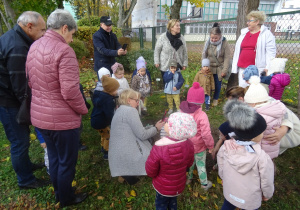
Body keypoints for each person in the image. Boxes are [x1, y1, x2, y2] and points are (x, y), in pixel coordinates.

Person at [26, 9, 88, 207]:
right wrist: (83, 109)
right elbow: (70, 91)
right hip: (62, 121)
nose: (71, 39)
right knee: (66, 162)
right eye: (71, 34)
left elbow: (30, 80)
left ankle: (59, 194)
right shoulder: (64, 51)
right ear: (64, 29)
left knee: (54, 158)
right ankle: (66, 198)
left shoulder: (34, 46)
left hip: (40, 117)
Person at [0, 11, 48, 189]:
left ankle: (26, 166)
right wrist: (30, 108)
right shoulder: (17, 47)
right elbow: (20, 84)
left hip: (10, 97)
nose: (43, 34)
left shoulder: (15, 38)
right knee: (19, 141)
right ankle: (25, 180)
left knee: (23, 138)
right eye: (42, 30)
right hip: (7, 102)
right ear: (29, 26)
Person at [218, 100, 274, 210]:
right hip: (250, 198)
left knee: (227, 206)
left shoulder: (226, 147)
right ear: (254, 137)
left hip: (230, 190)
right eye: (262, 132)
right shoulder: (262, 158)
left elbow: (221, 164)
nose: (263, 134)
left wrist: (223, 177)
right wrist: (267, 194)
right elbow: (266, 179)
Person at [108, 89, 165, 185]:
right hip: (126, 151)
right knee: (153, 153)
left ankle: (125, 173)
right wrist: (156, 128)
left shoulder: (119, 110)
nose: (138, 103)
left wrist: (152, 127)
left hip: (117, 152)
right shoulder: (130, 111)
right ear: (128, 100)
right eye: (136, 100)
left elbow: (134, 130)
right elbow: (142, 135)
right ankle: (129, 172)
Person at [226, 86, 300, 155]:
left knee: (260, 135)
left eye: (231, 101)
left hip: (293, 133)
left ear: (240, 99)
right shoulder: (257, 100)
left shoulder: (263, 105)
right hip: (278, 131)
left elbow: (287, 116)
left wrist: (284, 130)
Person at [145, 112, 195, 209]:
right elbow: (189, 163)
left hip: (162, 186)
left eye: (168, 123)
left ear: (173, 129)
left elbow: (151, 170)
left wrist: (152, 175)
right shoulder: (189, 144)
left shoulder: (159, 147)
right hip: (178, 184)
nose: (166, 123)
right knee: (173, 201)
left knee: (161, 204)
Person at [179, 82, 214, 191]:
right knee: (200, 164)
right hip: (199, 147)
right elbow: (206, 134)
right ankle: (204, 184)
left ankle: (188, 179)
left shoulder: (182, 111)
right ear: (201, 101)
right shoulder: (202, 115)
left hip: (186, 145)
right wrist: (210, 146)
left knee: (190, 162)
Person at [244, 76, 286, 159]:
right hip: (272, 146)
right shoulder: (275, 110)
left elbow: (256, 138)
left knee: (260, 167)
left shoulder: (259, 117)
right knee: (268, 164)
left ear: (253, 104)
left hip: (260, 150)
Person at [232, 11, 276, 88]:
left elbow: (271, 53)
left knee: (255, 90)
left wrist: (268, 67)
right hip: (243, 68)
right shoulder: (244, 33)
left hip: (257, 69)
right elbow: (238, 50)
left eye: (250, 21)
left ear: (257, 22)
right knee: (242, 89)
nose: (247, 23)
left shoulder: (267, 34)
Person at [91, 76, 119, 160]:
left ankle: (103, 148)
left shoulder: (100, 95)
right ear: (110, 90)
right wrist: (114, 122)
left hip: (95, 120)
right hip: (101, 122)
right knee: (108, 136)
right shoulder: (108, 101)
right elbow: (109, 114)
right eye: (116, 89)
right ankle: (107, 153)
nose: (117, 91)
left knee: (103, 135)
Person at [202, 22, 231, 106]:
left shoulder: (225, 43)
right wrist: (203, 67)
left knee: (218, 85)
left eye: (216, 38)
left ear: (220, 36)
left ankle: (215, 99)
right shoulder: (207, 42)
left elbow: (227, 57)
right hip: (209, 67)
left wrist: (224, 70)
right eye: (212, 38)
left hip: (219, 68)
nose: (213, 40)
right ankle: (208, 97)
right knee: (208, 83)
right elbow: (204, 55)